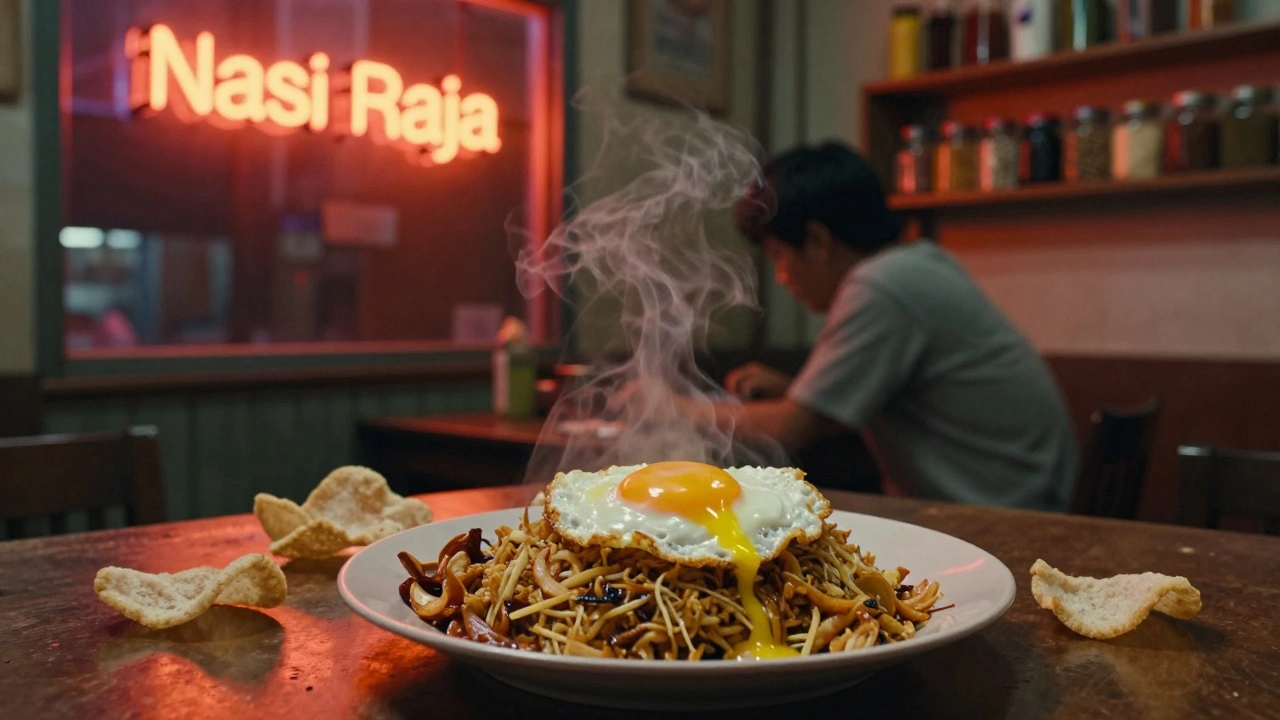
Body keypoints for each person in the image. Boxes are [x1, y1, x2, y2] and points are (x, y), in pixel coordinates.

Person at [723, 141, 1078, 511]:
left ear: (816, 242)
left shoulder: (880, 286)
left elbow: (791, 429)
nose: (781, 277)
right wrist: (795, 390)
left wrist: (682, 409)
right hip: (1027, 495)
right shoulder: (917, 263)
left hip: (1008, 513)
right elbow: (839, 413)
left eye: (778, 256)